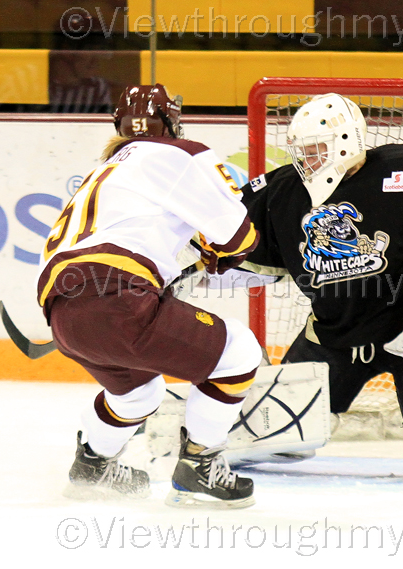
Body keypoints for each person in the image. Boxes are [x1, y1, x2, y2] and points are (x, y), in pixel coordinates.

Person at [37, 84, 261, 508]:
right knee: (239, 353)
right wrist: (218, 254)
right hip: (118, 297)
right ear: (172, 122)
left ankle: (92, 466)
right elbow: (237, 235)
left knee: (138, 393)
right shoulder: (181, 152)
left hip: (63, 312)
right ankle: (200, 465)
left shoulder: (101, 171)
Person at [232, 93, 403, 434]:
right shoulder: (285, 190)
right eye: (301, 151)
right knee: (273, 431)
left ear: (347, 142)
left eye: (315, 149)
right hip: (337, 337)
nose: (306, 160)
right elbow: (224, 243)